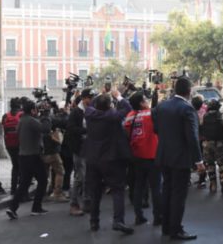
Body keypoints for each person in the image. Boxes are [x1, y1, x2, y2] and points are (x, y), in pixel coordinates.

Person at [153, 77, 204, 241]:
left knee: (167, 191)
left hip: (164, 155)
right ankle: (176, 229)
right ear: (189, 91)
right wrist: (198, 160)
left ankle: (166, 227)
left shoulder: (162, 106)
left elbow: (156, 129)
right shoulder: (187, 109)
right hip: (180, 158)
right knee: (178, 195)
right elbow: (192, 137)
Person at [84, 92, 134, 234]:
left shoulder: (89, 114)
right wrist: (118, 96)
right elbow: (128, 107)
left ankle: (94, 222)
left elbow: (92, 104)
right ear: (109, 105)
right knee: (118, 190)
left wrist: (101, 94)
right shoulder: (113, 116)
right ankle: (118, 221)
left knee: (95, 192)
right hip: (111, 159)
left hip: (93, 158)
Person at [6, 99, 51, 219]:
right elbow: (45, 129)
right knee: (43, 180)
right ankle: (36, 207)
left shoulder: (21, 120)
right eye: (36, 109)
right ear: (32, 110)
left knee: (24, 184)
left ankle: (12, 208)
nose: (37, 111)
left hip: (23, 156)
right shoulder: (31, 121)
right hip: (33, 156)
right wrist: (46, 115)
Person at [124, 91, 162, 226]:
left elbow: (127, 134)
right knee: (156, 188)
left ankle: (138, 216)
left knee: (138, 186)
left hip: (136, 156)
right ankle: (158, 217)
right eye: (145, 99)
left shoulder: (129, 116)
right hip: (152, 155)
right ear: (141, 102)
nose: (147, 101)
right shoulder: (152, 114)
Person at [66, 90, 93, 216]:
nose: (90, 100)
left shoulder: (91, 110)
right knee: (80, 177)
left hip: (88, 148)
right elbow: (71, 129)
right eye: (88, 98)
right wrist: (85, 130)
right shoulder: (76, 112)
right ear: (83, 98)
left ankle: (87, 202)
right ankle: (74, 204)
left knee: (88, 177)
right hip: (79, 149)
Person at [199, 99, 223, 193]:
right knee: (222, 163)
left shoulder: (205, 116)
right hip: (219, 143)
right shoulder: (221, 116)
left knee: (210, 164)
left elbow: (201, 128)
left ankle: (213, 184)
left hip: (207, 144)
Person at [41, 104, 68, 203]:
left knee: (45, 173)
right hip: (52, 151)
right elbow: (64, 122)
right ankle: (57, 193)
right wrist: (64, 112)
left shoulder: (37, 119)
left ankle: (43, 193)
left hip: (42, 151)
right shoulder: (49, 119)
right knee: (60, 171)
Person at [1, 98, 22, 195]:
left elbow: (4, 129)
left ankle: (13, 189)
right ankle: (22, 189)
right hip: (20, 144)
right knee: (22, 166)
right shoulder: (21, 115)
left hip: (9, 145)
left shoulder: (5, 116)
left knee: (15, 166)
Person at [191, 95, 207, 189]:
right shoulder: (205, 109)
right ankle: (202, 180)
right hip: (203, 139)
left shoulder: (190, 111)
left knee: (195, 159)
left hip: (194, 139)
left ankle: (190, 180)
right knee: (202, 159)